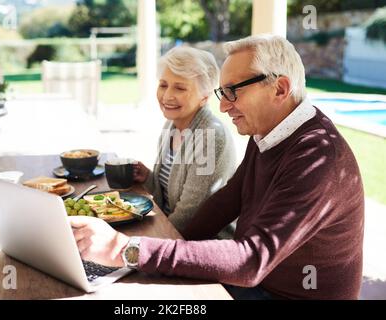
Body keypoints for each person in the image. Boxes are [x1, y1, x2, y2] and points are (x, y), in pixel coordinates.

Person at [70, 35, 364, 300]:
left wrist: (125, 249)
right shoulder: (268, 131)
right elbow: (226, 201)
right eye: (222, 93)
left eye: (233, 91)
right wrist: (149, 248)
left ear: (280, 88)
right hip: (257, 284)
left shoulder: (318, 156)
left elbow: (251, 260)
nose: (223, 107)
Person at [132, 46, 237, 236]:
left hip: (203, 246)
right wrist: (148, 177)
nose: (167, 96)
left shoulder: (210, 137)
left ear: (204, 97)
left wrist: (141, 242)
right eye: (163, 85)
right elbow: (164, 199)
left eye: (180, 88)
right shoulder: (171, 126)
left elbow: (189, 216)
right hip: (169, 234)